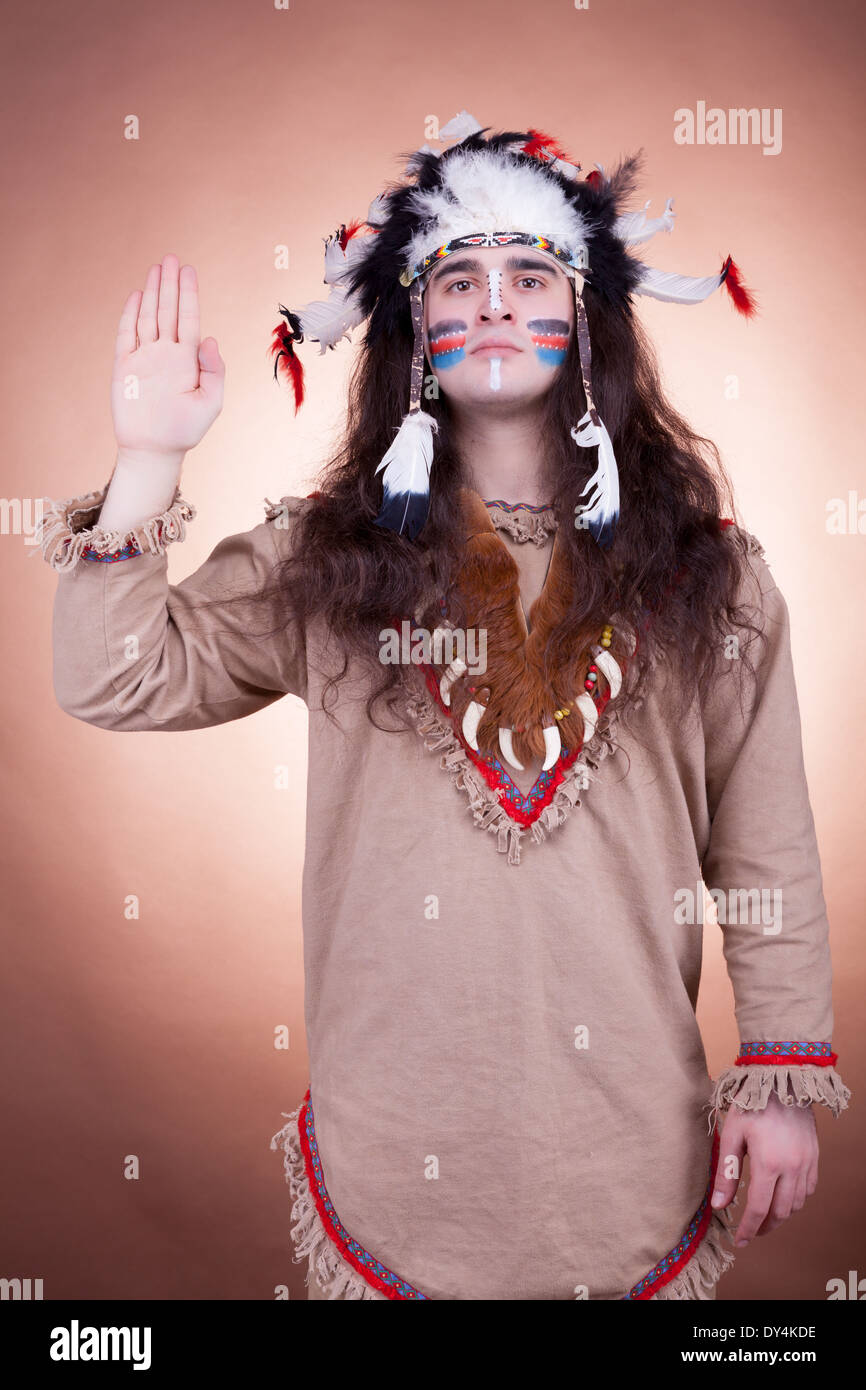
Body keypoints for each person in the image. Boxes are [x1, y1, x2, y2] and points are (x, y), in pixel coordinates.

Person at [36, 114, 850, 1301]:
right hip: (393, 1164)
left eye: (530, 275)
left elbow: (762, 843)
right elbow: (112, 677)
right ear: (411, 327)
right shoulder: (318, 560)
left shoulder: (711, 572)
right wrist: (147, 458)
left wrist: (778, 1081)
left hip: (629, 1157)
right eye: (455, 279)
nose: (493, 302)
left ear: (587, 316)